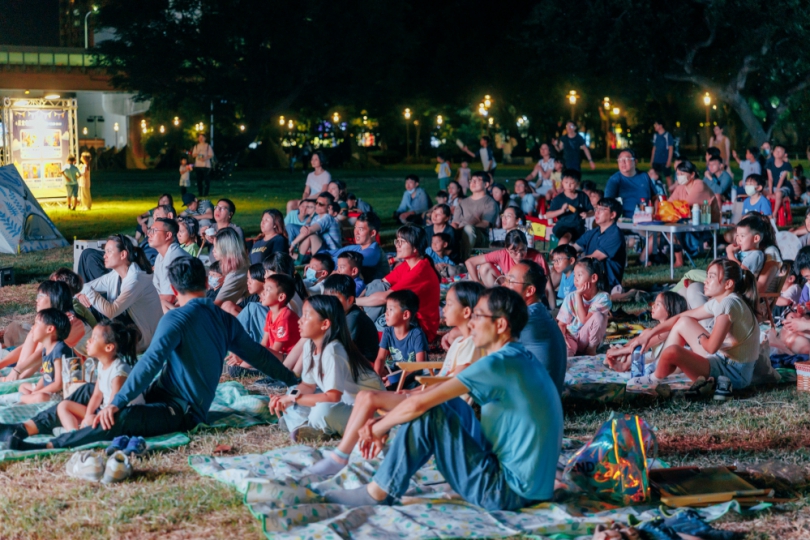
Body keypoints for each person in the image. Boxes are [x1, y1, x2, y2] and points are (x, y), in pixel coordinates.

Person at [0, 258, 299, 451]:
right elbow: (260, 356)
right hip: (162, 394)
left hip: (183, 412)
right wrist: (292, 381)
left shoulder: (178, 318)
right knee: (91, 391)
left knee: (116, 418)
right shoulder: (223, 319)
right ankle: (21, 429)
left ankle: (49, 444)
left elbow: (150, 364)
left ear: (172, 287)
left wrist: (116, 403)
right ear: (207, 284)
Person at [321, 287, 563, 512]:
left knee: (432, 411)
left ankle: (378, 491)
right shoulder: (519, 357)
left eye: (478, 316)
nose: (472, 323)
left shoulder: (498, 363)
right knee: (449, 403)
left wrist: (379, 426)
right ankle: (383, 484)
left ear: (500, 324)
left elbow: (420, 404)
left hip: (506, 492)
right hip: (531, 489)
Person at [303, 281, 486, 478]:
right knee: (366, 397)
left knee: (369, 398)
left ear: (466, 312)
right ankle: (348, 452)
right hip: (429, 394)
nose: (443, 309)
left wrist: (416, 392)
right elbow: (444, 378)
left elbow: (453, 383)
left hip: (444, 403)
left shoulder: (472, 345)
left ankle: (339, 457)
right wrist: (412, 391)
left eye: (449, 304)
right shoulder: (459, 342)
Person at [628, 259, 759, 397]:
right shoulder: (722, 301)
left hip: (734, 373)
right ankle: (657, 368)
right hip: (723, 360)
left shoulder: (728, 304)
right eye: (707, 276)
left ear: (728, 284)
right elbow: (681, 317)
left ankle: (654, 378)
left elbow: (711, 347)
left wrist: (702, 338)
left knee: (673, 352)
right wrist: (648, 335)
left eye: (711, 277)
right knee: (683, 322)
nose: (706, 281)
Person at [268, 295, 384, 441]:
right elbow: (307, 385)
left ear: (325, 324)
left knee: (322, 411)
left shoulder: (334, 350)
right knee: (293, 390)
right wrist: (290, 397)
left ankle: (303, 425)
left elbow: (332, 397)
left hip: (370, 411)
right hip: (343, 404)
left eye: (306, 316)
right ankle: (305, 427)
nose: (300, 320)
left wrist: (294, 400)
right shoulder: (310, 346)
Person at [76, 235, 162, 353]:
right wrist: (81, 295)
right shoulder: (115, 275)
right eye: (105, 252)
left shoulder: (135, 279)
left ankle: (92, 348)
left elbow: (111, 311)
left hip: (141, 338)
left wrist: (88, 292)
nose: (104, 256)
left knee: (93, 307)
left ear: (123, 254)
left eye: (109, 252)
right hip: (126, 326)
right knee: (78, 305)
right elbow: (84, 286)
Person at [56, 320, 144, 432]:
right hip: (105, 410)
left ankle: (78, 434)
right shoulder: (102, 364)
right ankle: (73, 432)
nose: (88, 340)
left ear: (108, 347)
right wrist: (88, 415)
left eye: (94, 338)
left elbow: (115, 405)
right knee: (63, 406)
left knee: (89, 421)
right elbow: (97, 395)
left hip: (122, 415)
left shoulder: (119, 372)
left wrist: (90, 419)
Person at [356, 225, 440, 342]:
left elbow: (385, 298)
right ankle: (362, 324)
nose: (397, 245)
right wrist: (356, 301)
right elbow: (380, 284)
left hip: (420, 328)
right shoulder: (407, 265)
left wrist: (352, 302)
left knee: (374, 330)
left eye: (402, 242)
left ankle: (363, 328)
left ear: (415, 248)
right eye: (397, 241)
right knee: (377, 284)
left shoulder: (420, 271)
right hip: (405, 315)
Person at [500, 261, 568, 394]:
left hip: (533, 405)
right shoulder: (536, 311)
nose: (503, 285)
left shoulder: (528, 317)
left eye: (510, 281)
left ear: (530, 291)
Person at [0, 281, 89, 380]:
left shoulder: (69, 321)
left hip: (77, 371)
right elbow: (25, 347)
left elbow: (41, 353)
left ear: (54, 298)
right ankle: (16, 377)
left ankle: (18, 378)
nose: (36, 300)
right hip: (54, 366)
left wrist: (17, 372)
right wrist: (3, 365)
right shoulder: (51, 319)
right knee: (33, 332)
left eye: (41, 296)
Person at [0, 309, 70, 406]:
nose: (32, 327)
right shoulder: (47, 349)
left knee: (39, 397)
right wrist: (37, 389)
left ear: (50, 329)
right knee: (23, 386)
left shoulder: (59, 350)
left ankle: (15, 399)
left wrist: (36, 393)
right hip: (49, 390)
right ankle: (24, 399)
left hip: (63, 394)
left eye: (36, 324)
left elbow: (58, 384)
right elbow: (47, 376)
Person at [465, 230, 554, 306]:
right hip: (510, 293)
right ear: (507, 250)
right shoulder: (502, 254)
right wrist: (478, 285)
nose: (519, 255)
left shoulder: (537, 256)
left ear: (527, 246)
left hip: (529, 296)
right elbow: (469, 262)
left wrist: (553, 311)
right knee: (485, 268)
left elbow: (549, 287)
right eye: (514, 251)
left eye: (523, 250)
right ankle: (497, 303)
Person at [605, 291, 687, 372]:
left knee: (644, 339)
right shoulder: (659, 328)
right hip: (658, 359)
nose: (653, 306)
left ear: (669, 311)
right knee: (646, 332)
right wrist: (622, 348)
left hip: (669, 365)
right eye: (654, 303)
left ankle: (624, 365)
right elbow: (637, 340)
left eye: (658, 304)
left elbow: (643, 345)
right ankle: (622, 358)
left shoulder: (667, 331)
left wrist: (618, 352)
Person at [556, 258, 611, 356]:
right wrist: (563, 339)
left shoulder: (603, 298)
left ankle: (591, 349)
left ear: (593, 278)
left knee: (599, 316)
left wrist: (578, 296)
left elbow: (584, 320)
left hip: (586, 339)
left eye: (579, 275)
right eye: (574, 276)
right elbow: (561, 324)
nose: (575, 279)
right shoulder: (570, 297)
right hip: (570, 337)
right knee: (565, 357)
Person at [668, 160, 720, 263]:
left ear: (692, 174)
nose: (679, 176)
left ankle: (679, 260)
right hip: (687, 224)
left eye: (682, 174)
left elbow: (685, 205)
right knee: (670, 229)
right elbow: (668, 205)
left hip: (706, 226)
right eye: (678, 174)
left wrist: (673, 208)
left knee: (674, 228)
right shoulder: (680, 188)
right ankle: (678, 259)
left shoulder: (699, 185)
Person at [322, 274, 380, 364]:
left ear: (349, 300)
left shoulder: (353, 318)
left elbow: (340, 348)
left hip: (364, 364)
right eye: (327, 299)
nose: (330, 303)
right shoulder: (341, 314)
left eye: (334, 299)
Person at [573, 198, 627, 293]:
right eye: (596, 209)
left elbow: (594, 257)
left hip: (606, 281)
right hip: (588, 275)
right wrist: (563, 254)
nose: (596, 213)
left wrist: (571, 260)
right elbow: (573, 248)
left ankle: (625, 293)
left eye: (601, 210)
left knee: (568, 264)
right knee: (558, 266)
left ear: (613, 215)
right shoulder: (593, 232)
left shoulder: (615, 234)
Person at [374, 290, 429, 380]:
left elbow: (420, 366)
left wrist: (396, 380)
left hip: (414, 377)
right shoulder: (387, 331)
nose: (386, 313)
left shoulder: (417, 334)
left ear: (405, 314)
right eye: (386, 309)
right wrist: (376, 379)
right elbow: (380, 358)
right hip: (397, 374)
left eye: (390, 309)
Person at [328, 213, 389, 282]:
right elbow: (328, 253)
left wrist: (323, 263)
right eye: (355, 228)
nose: (356, 233)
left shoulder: (373, 252)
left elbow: (345, 262)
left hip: (369, 291)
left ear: (372, 233)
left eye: (361, 229)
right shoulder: (356, 248)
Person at [451, 172, 499, 260]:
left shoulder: (490, 203)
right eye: (471, 180)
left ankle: (465, 260)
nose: (473, 183)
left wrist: (464, 228)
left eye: (477, 180)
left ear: (486, 184)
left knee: (468, 229)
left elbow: (485, 223)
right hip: (461, 232)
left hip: (479, 236)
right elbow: (455, 222)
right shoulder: (463, 203)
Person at [149, 218, 191, 312]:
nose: (149, 234)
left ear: (168, 235)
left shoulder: (174, 257)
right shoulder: (160, 256)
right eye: (150, 230)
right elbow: (156, 289)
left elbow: (168, 297)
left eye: (154, 231)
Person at [546, 168, 593, 245]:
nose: (569, 185)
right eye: (566, 182)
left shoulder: (582, 196)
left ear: (577, 184)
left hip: (578, 226)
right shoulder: (558, 199)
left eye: (572, 183)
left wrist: (587, 214)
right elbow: (548, 215)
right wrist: (561, 210)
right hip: (563, 226)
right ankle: (559, 253)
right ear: (562, 183)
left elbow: (592, 211)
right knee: (566, 237)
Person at [604, 149, 655, 218]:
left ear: (635, 161)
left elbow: (655, 197)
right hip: (624, 220)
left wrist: (656, 213)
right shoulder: (614, 180)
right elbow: (607, 204)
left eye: (626, 159)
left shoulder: (644, 176)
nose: (623, 162)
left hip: (645, 218)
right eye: (620, 160)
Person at [259, 274, 301, 356]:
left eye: (267, 290)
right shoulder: (270, 314)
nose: (262, 293)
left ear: (281, 297)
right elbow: (264, 343)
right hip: (277, 354)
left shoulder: (285, 316)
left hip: (288, 357)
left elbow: (275, 351)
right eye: (264, 289)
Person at [289, 193, 342, 257]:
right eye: (316, 203)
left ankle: (298, 260)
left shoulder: (327, 218)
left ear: (329, 207)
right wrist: (304, 227)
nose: (317, 206)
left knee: (311, 235)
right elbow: (307, 229)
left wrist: (293, 244)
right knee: (290, 226)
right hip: (321, 249)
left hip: (332, 252)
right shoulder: (316, 218)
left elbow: (309, 231)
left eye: (320, 204)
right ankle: (298, 257)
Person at [211, 227, 249, 306]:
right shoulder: (239, 269)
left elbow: (217, 305)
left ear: (226, 249)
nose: (213, 250)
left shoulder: (236, 274)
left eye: (216, 247)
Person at [766, 144, 794, 213]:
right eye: (776, 151)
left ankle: (774, 214)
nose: (777, 152)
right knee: (760, 192)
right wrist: (770, 192)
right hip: (773, 187)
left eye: (780, 151)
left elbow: (781, 180)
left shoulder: (786, 165)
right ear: (773, 152)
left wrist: (775, 192)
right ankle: (765, 213)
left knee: (778, 194)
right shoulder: (769, 164)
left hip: (784, 187)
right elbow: (770, 179)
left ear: (785, 154)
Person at [651, 120, 674, 184]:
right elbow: (654, 148)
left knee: (668, 177)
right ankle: (658, 192)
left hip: (664, 160)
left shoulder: (667, 135)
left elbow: (671, 149)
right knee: (656, 177)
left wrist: (669, 161)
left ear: (660, 126)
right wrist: (652, 160)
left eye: (656, 125)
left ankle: (672, 193)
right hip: (656, 160)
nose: (654, 126)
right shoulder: (655, 136)